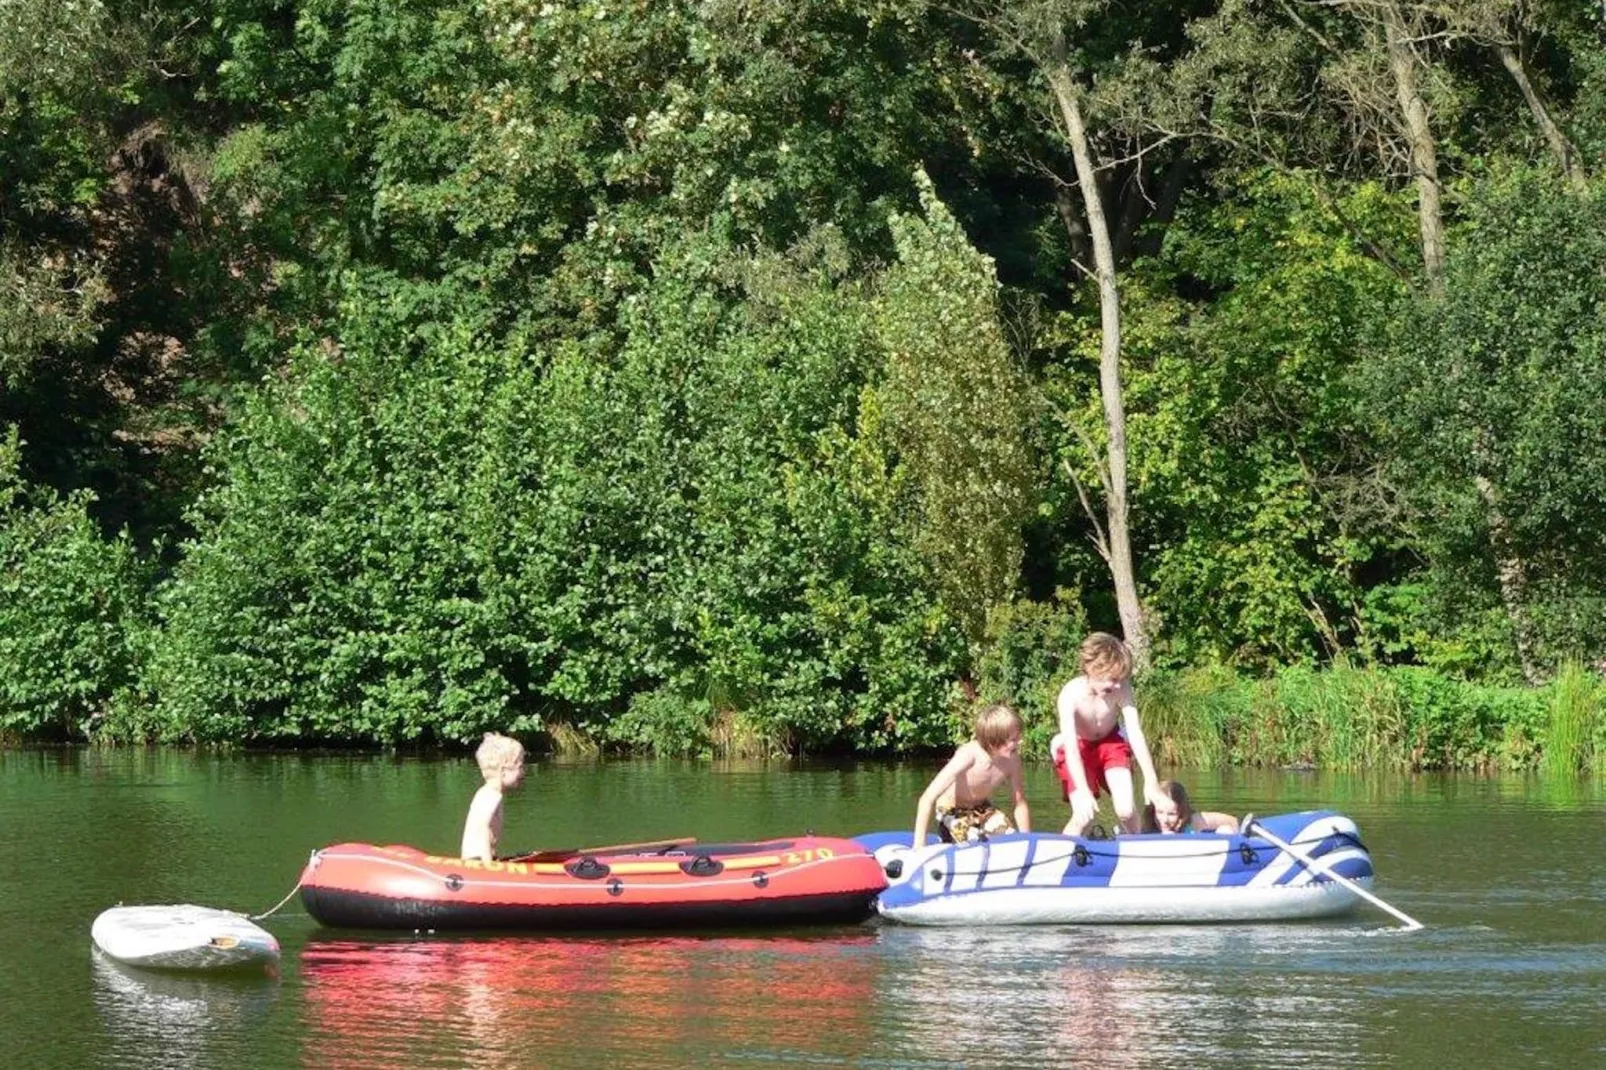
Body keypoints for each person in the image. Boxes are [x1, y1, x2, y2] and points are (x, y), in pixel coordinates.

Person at [1052, 632, 1166, 837]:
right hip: (1078, 747)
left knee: (1126, 810)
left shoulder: (1121, 689)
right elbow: (1070, 748)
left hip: (1111, 744)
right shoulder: (1070, 695)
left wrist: (1151, 780)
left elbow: (1135, 732)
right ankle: (1063, 854)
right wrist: (1083, 789)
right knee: (1083, 816)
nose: (1116, 685)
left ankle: (1138, 844)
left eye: (1120, 680)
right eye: (1112, 679)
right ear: (1092, 668)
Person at [911, 704, 1032, 847]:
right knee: (972, 843)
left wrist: (1028, 841)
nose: (1020, 741)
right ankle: (947, 836)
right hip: (951, 810)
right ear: (994, 742)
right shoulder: (969, 755)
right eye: (1014, 739)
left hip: (983, 809)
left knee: (1011, 840)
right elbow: (927, 798)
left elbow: (1020, 803)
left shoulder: (1013, 760)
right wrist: (919, 845)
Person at [460, 732, 526, 861]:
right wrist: (488, 864)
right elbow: (483, 829)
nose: (523, 772)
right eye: (520, 766)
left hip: (481, 857)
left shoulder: (489, 792)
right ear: (503, 771)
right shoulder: (491, 795)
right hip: (477, 860)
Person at [1140, 779, 1239, 834]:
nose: (1164, 820)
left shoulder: (1194, 821)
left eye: (1171, 814)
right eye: (1160, 812)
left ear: (1182, 813)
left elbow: (1233, 821)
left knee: (1225, 830)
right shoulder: (1148, 827)